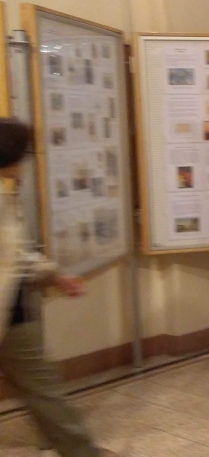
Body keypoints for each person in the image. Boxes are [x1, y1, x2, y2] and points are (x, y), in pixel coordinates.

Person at [0, 118, 127, 457]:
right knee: (43, 389)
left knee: (40, 388)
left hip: (14, 310)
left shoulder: (4, 194)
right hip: (10, 312)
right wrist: (55, 275)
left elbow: (14, 256)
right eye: (25, 153)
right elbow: (13, 258)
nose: (27, 161)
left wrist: (55, 276)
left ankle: (74, 448)